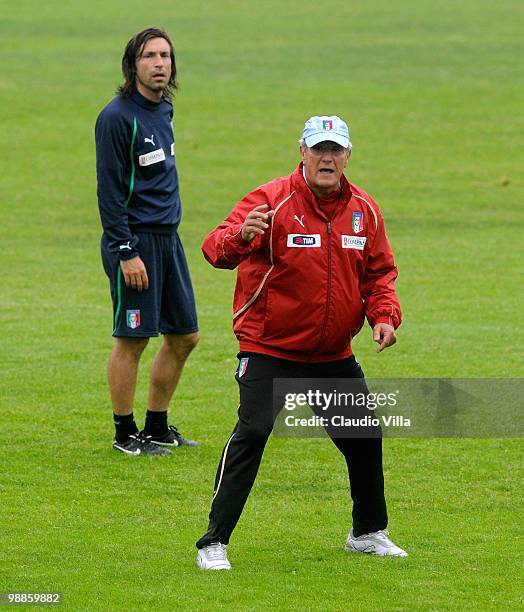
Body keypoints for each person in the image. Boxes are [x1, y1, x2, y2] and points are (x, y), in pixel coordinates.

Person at [195, 115, 407, 569]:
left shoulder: (364, 210)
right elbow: (213, 248)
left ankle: (367, 532)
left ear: (348, 156)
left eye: (336, 150)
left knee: (365, 436)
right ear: (302, 152)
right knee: (252, 433)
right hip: (269, 347)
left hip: (332, 354)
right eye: (318, 149)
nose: (327, 158)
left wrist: (383, 317)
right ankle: (214, 543)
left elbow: (379, 272)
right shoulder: (271, 199)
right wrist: (241, 235)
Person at [95, 28, 199, 456]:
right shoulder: (116, 117)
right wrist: (126, 252)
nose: (160, 63)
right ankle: (124, 435)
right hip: (134, 243)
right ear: (132, 64)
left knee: (184, 336)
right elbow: (110, 190)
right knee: (133, 339)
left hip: (167, 240)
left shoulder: (164, 111)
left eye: (165, 56)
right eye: (150, 56)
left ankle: (157, 426)